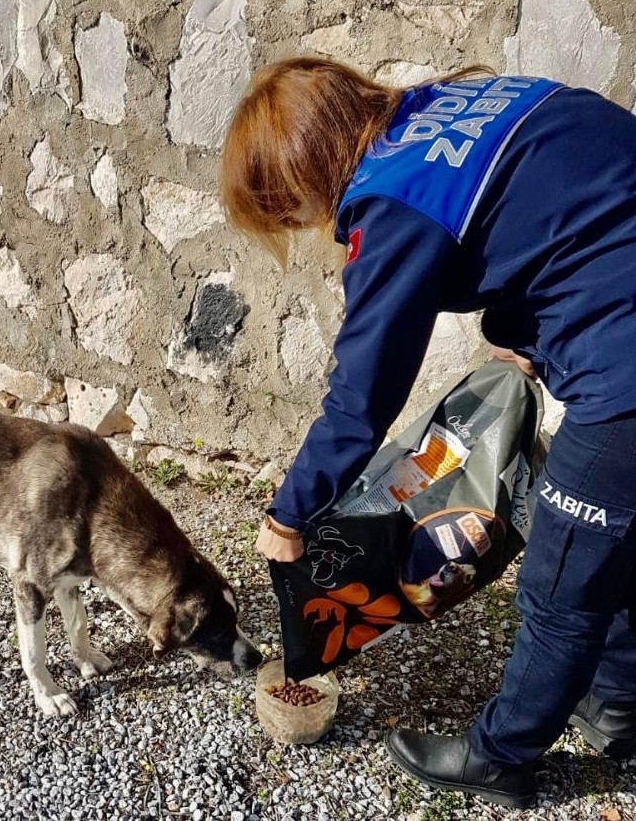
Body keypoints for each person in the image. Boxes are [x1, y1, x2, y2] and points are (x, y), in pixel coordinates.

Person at [220, 56, 636, 809]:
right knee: (616, 535)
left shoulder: (393, 204)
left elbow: (360, 397)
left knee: (559, 577)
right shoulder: (461, 101)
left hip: (626, 363)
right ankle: (613, 700)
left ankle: (500, 757)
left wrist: (287, 514)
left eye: (288, 207)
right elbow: (566, 213)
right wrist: (527, 332)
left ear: (302, 175)